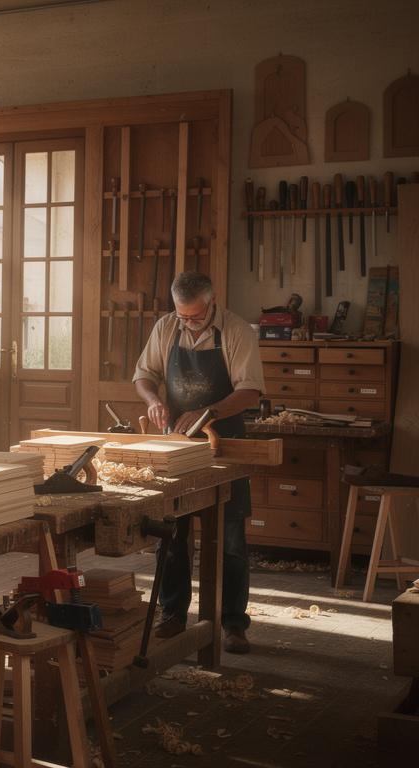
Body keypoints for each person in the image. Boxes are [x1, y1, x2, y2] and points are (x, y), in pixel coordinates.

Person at [133, 271, 264, 655]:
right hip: (177, 445)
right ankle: (172, 614)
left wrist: (208, 411)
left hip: (225, 445)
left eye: (195, 316)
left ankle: (233, 624)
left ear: (211, 302)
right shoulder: (166, 327)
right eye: (182, 316)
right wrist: (153, 400)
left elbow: (250, 391)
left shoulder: (237, 331)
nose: (188, 323)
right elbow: (144, 375)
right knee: (169, 538)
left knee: (230, 543)